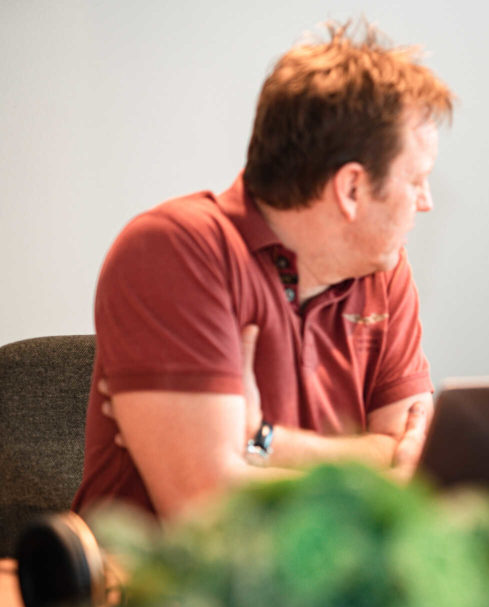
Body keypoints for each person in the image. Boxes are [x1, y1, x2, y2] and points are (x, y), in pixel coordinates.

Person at [73, 21, 453, 518]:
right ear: (351, 189)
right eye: (418, 180)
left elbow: (413, 465)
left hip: (321, 588)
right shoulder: (173, 250)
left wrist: (262, 442)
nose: (425, 203)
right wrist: (371, 467)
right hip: (157, 587)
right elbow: (206, 511)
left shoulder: (384, 268)